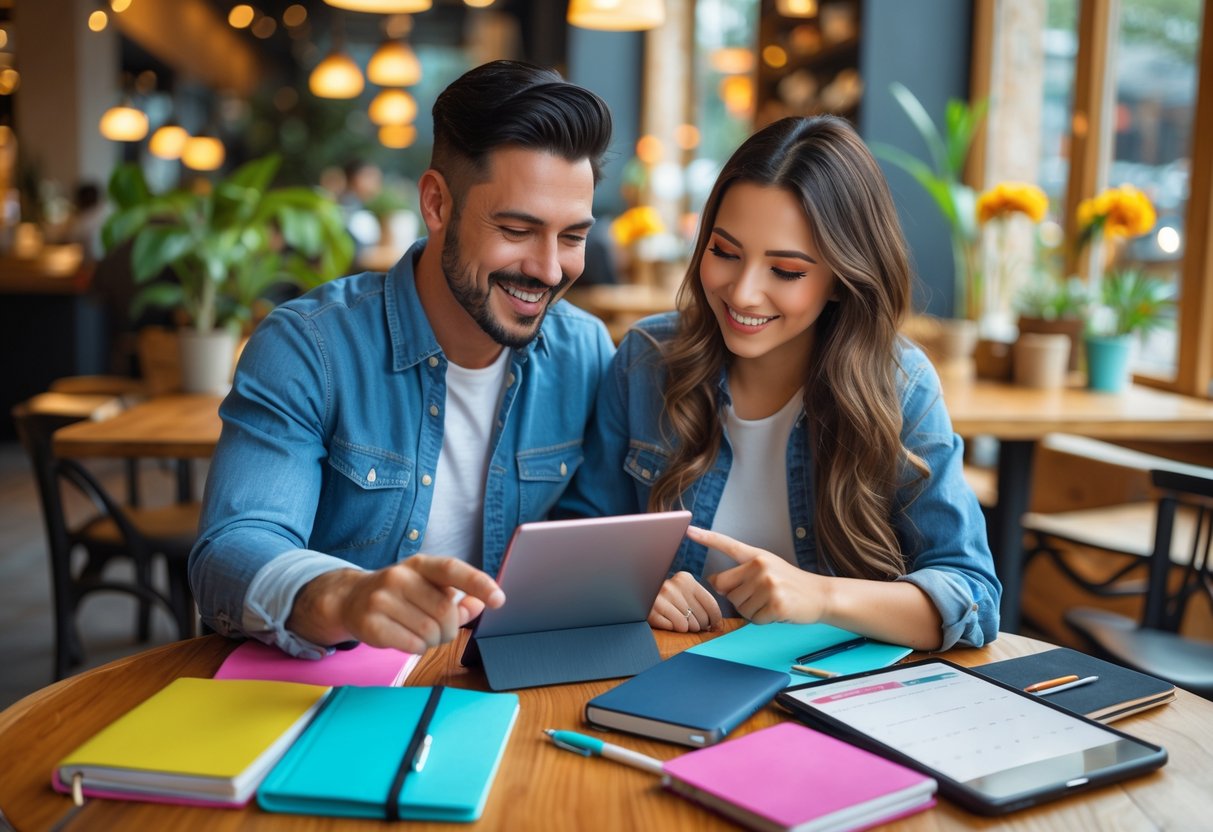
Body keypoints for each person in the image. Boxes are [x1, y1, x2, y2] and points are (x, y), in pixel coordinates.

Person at [190, 60, 615, 658]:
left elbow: (590, 539)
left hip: (491, 692)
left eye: (572, 237)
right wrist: (343, 597)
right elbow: (230, 551)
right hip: (326, 692)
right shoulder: (308, 347)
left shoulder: (585, 352)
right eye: (518, 229)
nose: (549, 270)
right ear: (438, 204)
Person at [557, 115, 1000, 652]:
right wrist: (634, 590)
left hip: (837, 699)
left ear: (842, 278)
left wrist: (820, 596)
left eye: (786, 271)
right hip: (674, 679)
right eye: (724, 252)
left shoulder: (900, 386)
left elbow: (972, 597)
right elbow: (577, 546)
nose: (743, 293)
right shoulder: (647, 360)